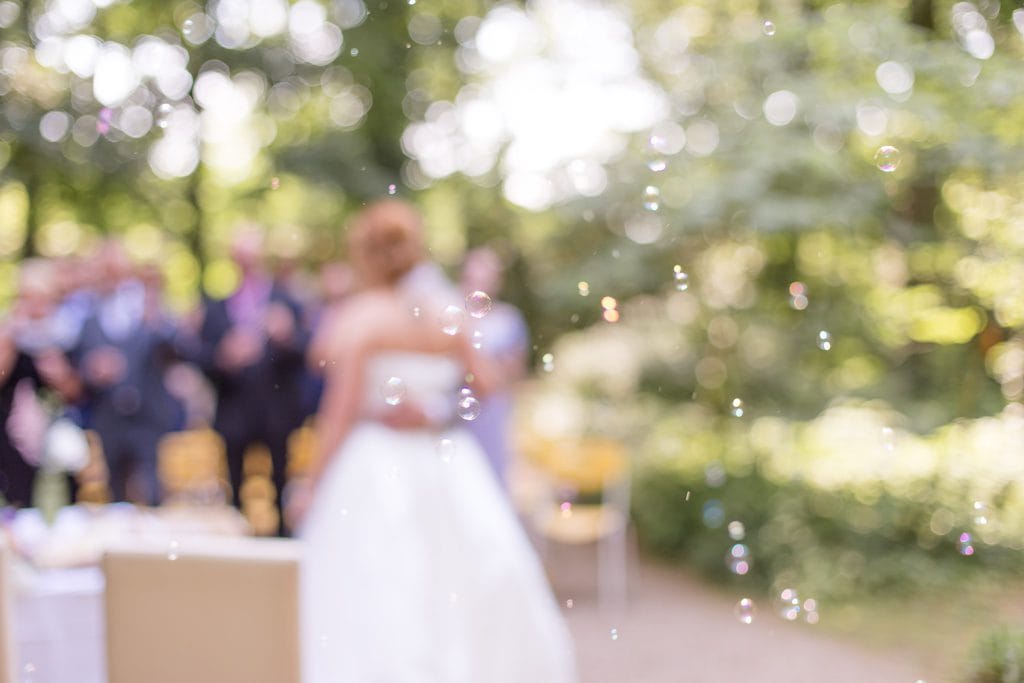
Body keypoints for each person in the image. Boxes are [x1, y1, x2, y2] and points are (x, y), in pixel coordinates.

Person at [289, 199, 576, 682]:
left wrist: (310, 484)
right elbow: (486, 383)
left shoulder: (361, 317)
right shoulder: (448, 313)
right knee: (462, 575)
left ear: (364, 253)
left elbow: (337, 413)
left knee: (378, 585)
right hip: (445, 458)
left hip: (375, 458)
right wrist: (437, 409)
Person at [189, 227, 309, 535]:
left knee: (280, 483)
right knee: (234, 485)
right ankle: (238, 544)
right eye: (240, 254)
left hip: (276, 411)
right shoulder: (217, 307)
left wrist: (285, 337)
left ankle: (283, 542)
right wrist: (223, 357)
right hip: (234, 412)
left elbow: (307, 356)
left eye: (251, 253)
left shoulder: (287, 302)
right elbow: (198, 357)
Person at [74, 242, 181, 505]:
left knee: (153, 491)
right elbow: (77, 365)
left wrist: (157, 321)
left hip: (148, 416)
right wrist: (93, 369)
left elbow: (177, 351)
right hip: (109, 418)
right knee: (115, 495)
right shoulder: (87, 318)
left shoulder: (148, 306)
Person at [460, 247, 530, 487]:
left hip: (492, 410)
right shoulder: (454, 316)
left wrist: (485, 373)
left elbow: (515, 372)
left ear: (496, 281)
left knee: (491, 476)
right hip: (455, 408)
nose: (479, 282)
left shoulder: (509, 319)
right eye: (473, 276)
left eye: (486, 276)